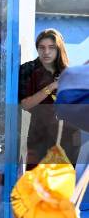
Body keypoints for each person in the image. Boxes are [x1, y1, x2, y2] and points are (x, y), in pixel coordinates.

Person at [19, 28, 78, 167]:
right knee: (36, 183)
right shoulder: (28, 70)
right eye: (42, 48)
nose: (46, 52)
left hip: (66, 138)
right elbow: (25, 105)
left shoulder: (68, 73)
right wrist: (51, 87)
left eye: (51, 48)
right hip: (37, 138)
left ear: (58, 49)